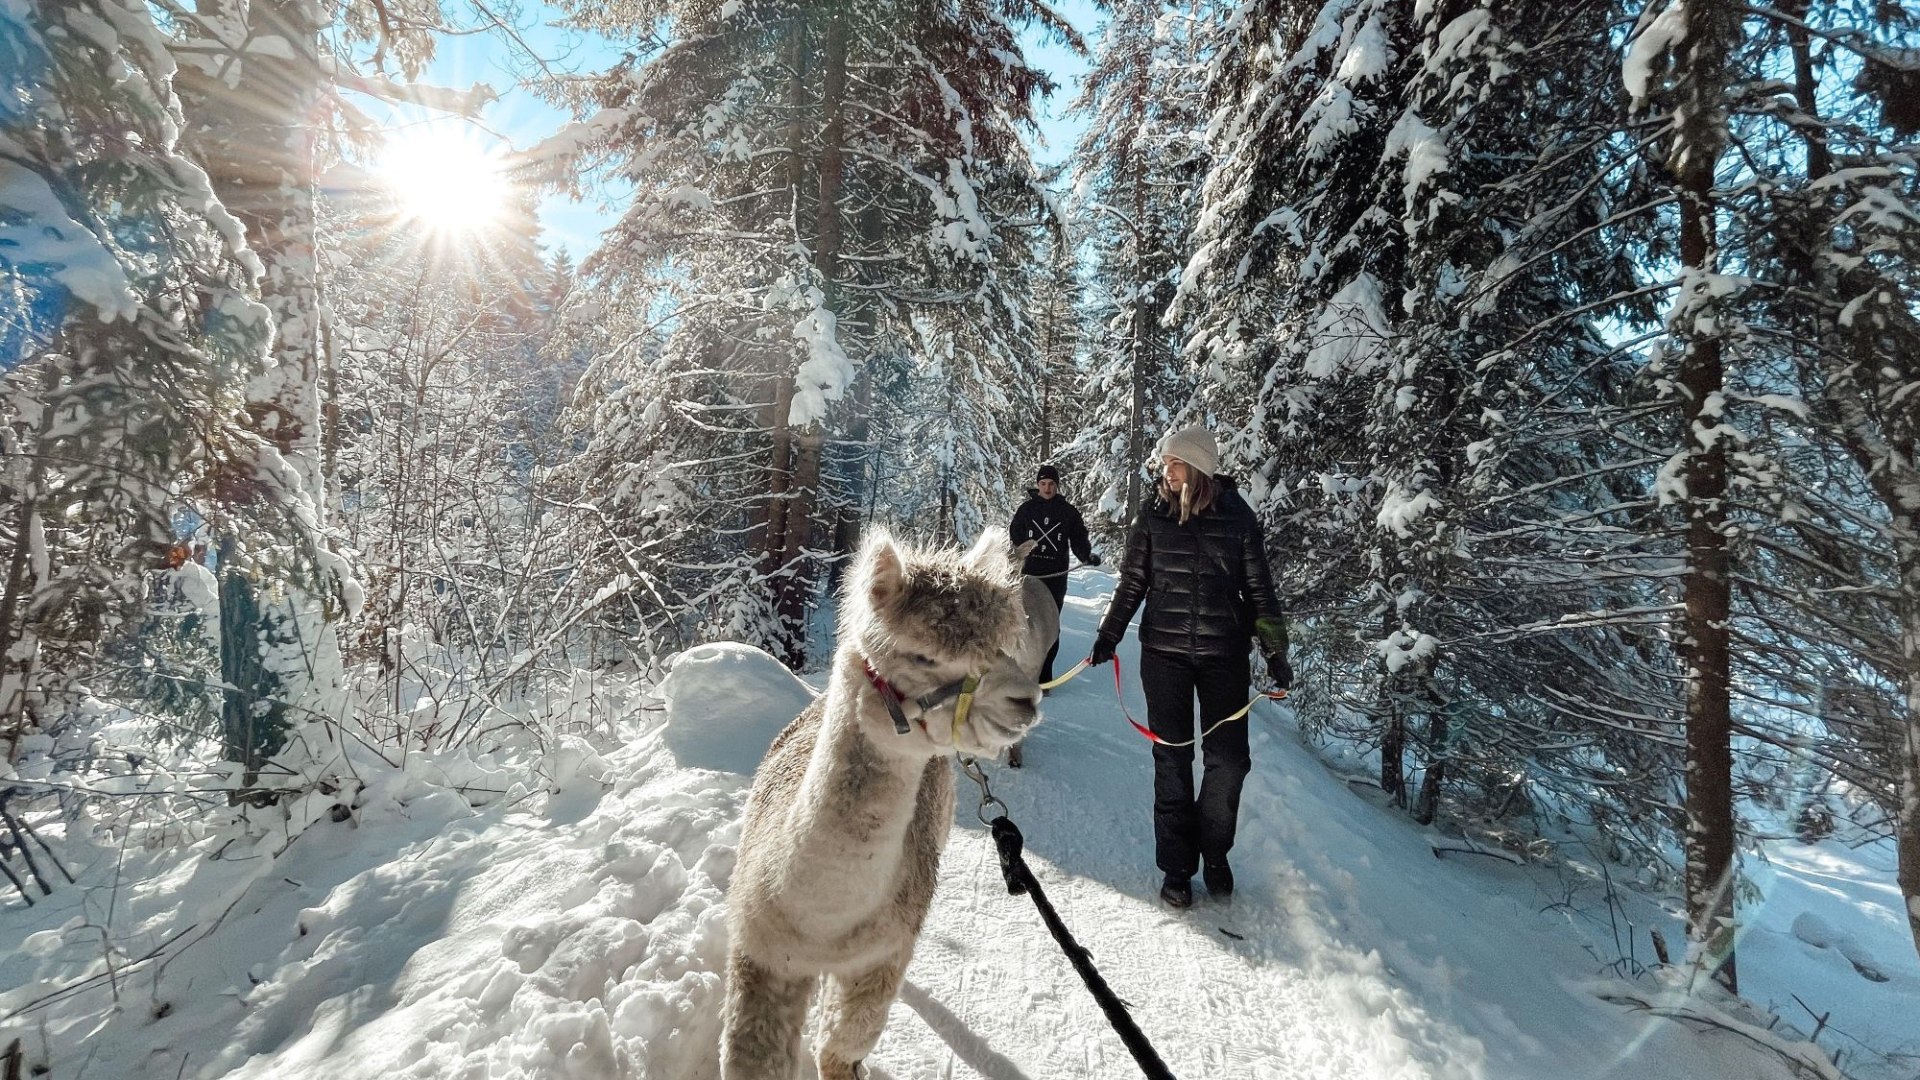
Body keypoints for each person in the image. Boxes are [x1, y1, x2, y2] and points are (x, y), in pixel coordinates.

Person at [1088, 424, 1290, 908]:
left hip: (1224, 657)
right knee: (1173, 762)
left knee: (1228, 762)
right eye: (1164, 463)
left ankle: (1215, 853)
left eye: (1174, 463)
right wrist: (1108, 636)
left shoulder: (1238, 518)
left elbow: (1261, 591)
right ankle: (1177, 868)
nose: (1166, 470)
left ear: (1198, 468)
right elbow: (1132, 584)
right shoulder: (1152, 517)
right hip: (1164, 658)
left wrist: (1277, 652)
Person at [1006, 464, 1099, 769]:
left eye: (1051, 484)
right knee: (1025, 627)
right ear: (1038, 484)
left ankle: (1044, 678)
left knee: (1050, 629)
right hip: (1029, 575)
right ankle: (1017, 675)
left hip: (1056, 575)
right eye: (1043, 483)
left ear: (1057, 486)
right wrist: (1020, 552)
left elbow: (1078, 538)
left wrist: (1086, 556)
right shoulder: (1027, 509)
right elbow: (1015, 533)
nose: (1047, 487)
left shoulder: (1067, 512)